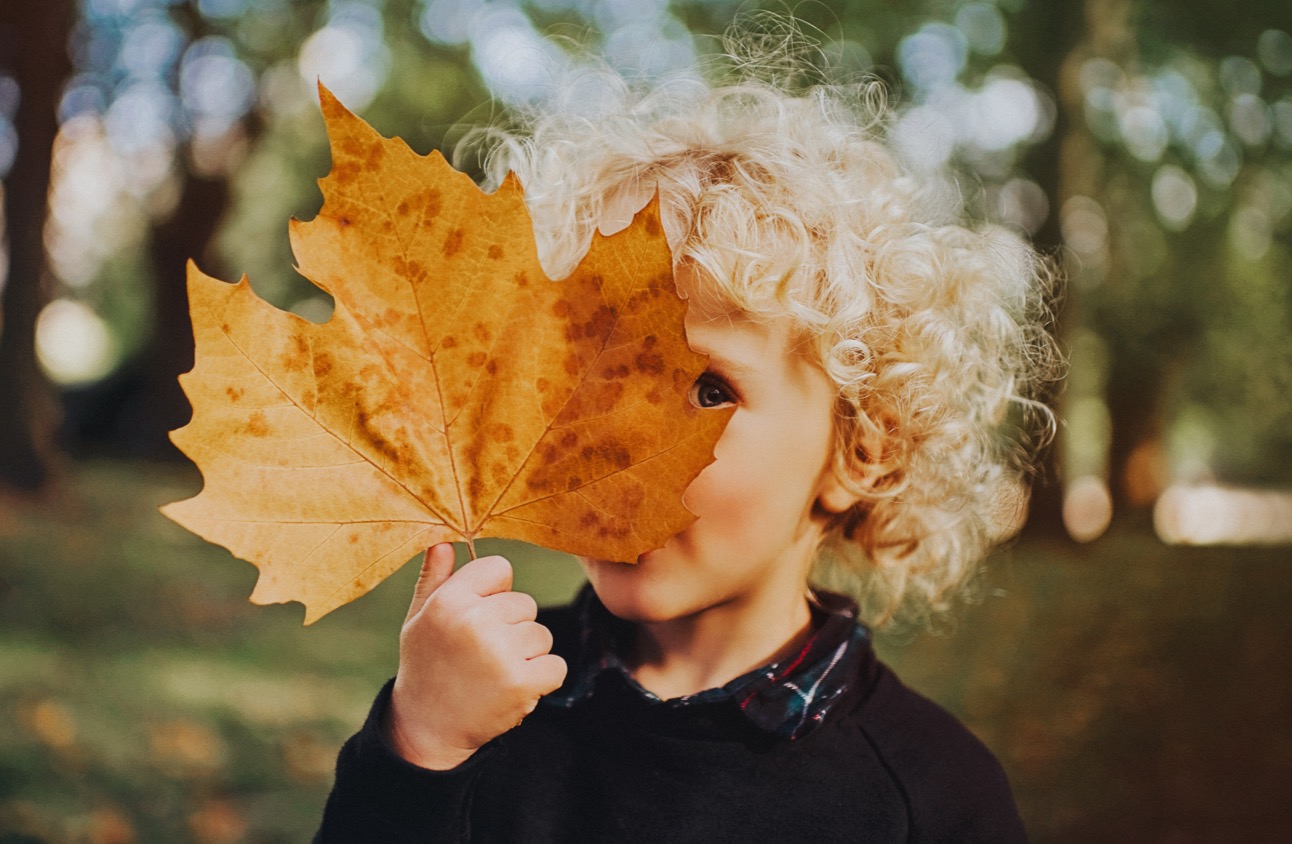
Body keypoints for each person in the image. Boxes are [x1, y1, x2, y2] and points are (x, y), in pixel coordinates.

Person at [314, 38, 1056, 844]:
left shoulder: (932, 794)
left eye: (709, 389)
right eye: (588, 376)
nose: (619, 436)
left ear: (861, 452)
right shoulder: (476, 702)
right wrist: (420, 746)